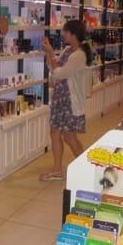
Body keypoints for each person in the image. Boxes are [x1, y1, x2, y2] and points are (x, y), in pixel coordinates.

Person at [40, 20, 92, 181]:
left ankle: (87, 167)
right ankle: (57, 170)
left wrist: (50, 53)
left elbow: (61, 73)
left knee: (69, 137)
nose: (63, 35)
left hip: (70, 101)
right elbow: (54, 70)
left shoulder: (79, 55)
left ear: (73, 34)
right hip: (60, 98)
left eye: (66, 32)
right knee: (55, 132)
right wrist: (50, 56)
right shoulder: (68, 50)